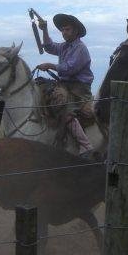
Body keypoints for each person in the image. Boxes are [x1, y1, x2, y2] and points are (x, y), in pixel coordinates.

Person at [36, 14, 94, 155]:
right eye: (62, 30)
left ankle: (86, 145)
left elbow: (70, 68)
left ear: (75, 31)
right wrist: (44, 30)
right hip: (66, 85)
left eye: (67, 29)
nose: (64, 33)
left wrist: (50, 65)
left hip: (79, 88)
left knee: (65, 110)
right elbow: (49, 47)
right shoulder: (64, 46)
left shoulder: (80, 48)